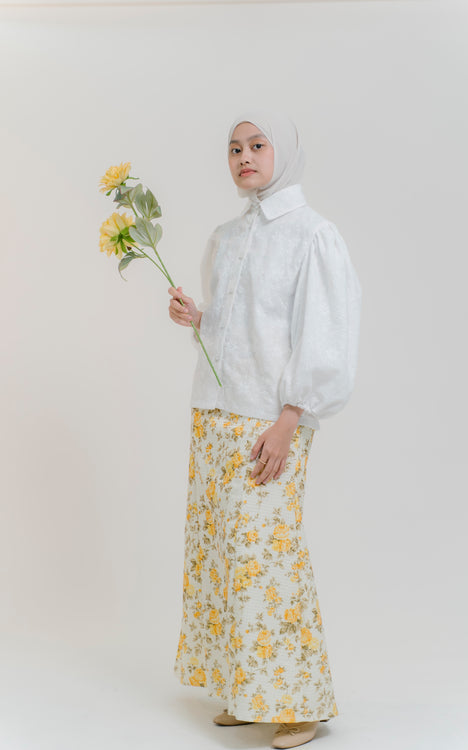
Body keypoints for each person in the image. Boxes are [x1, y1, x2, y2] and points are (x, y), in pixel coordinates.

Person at [169, 110, 362, 749]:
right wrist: (196, 316)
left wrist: (289, 419)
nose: (244, 157)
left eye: (257, 145)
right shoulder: (227, 236)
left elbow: (324, 335)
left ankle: (298, 704)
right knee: (223, 553)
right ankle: (249, 691)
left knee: (268, 557)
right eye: (234, 148)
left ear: (286, 152)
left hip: (271, 420)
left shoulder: (313, 235)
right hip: (215, 412)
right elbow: (239, 327)